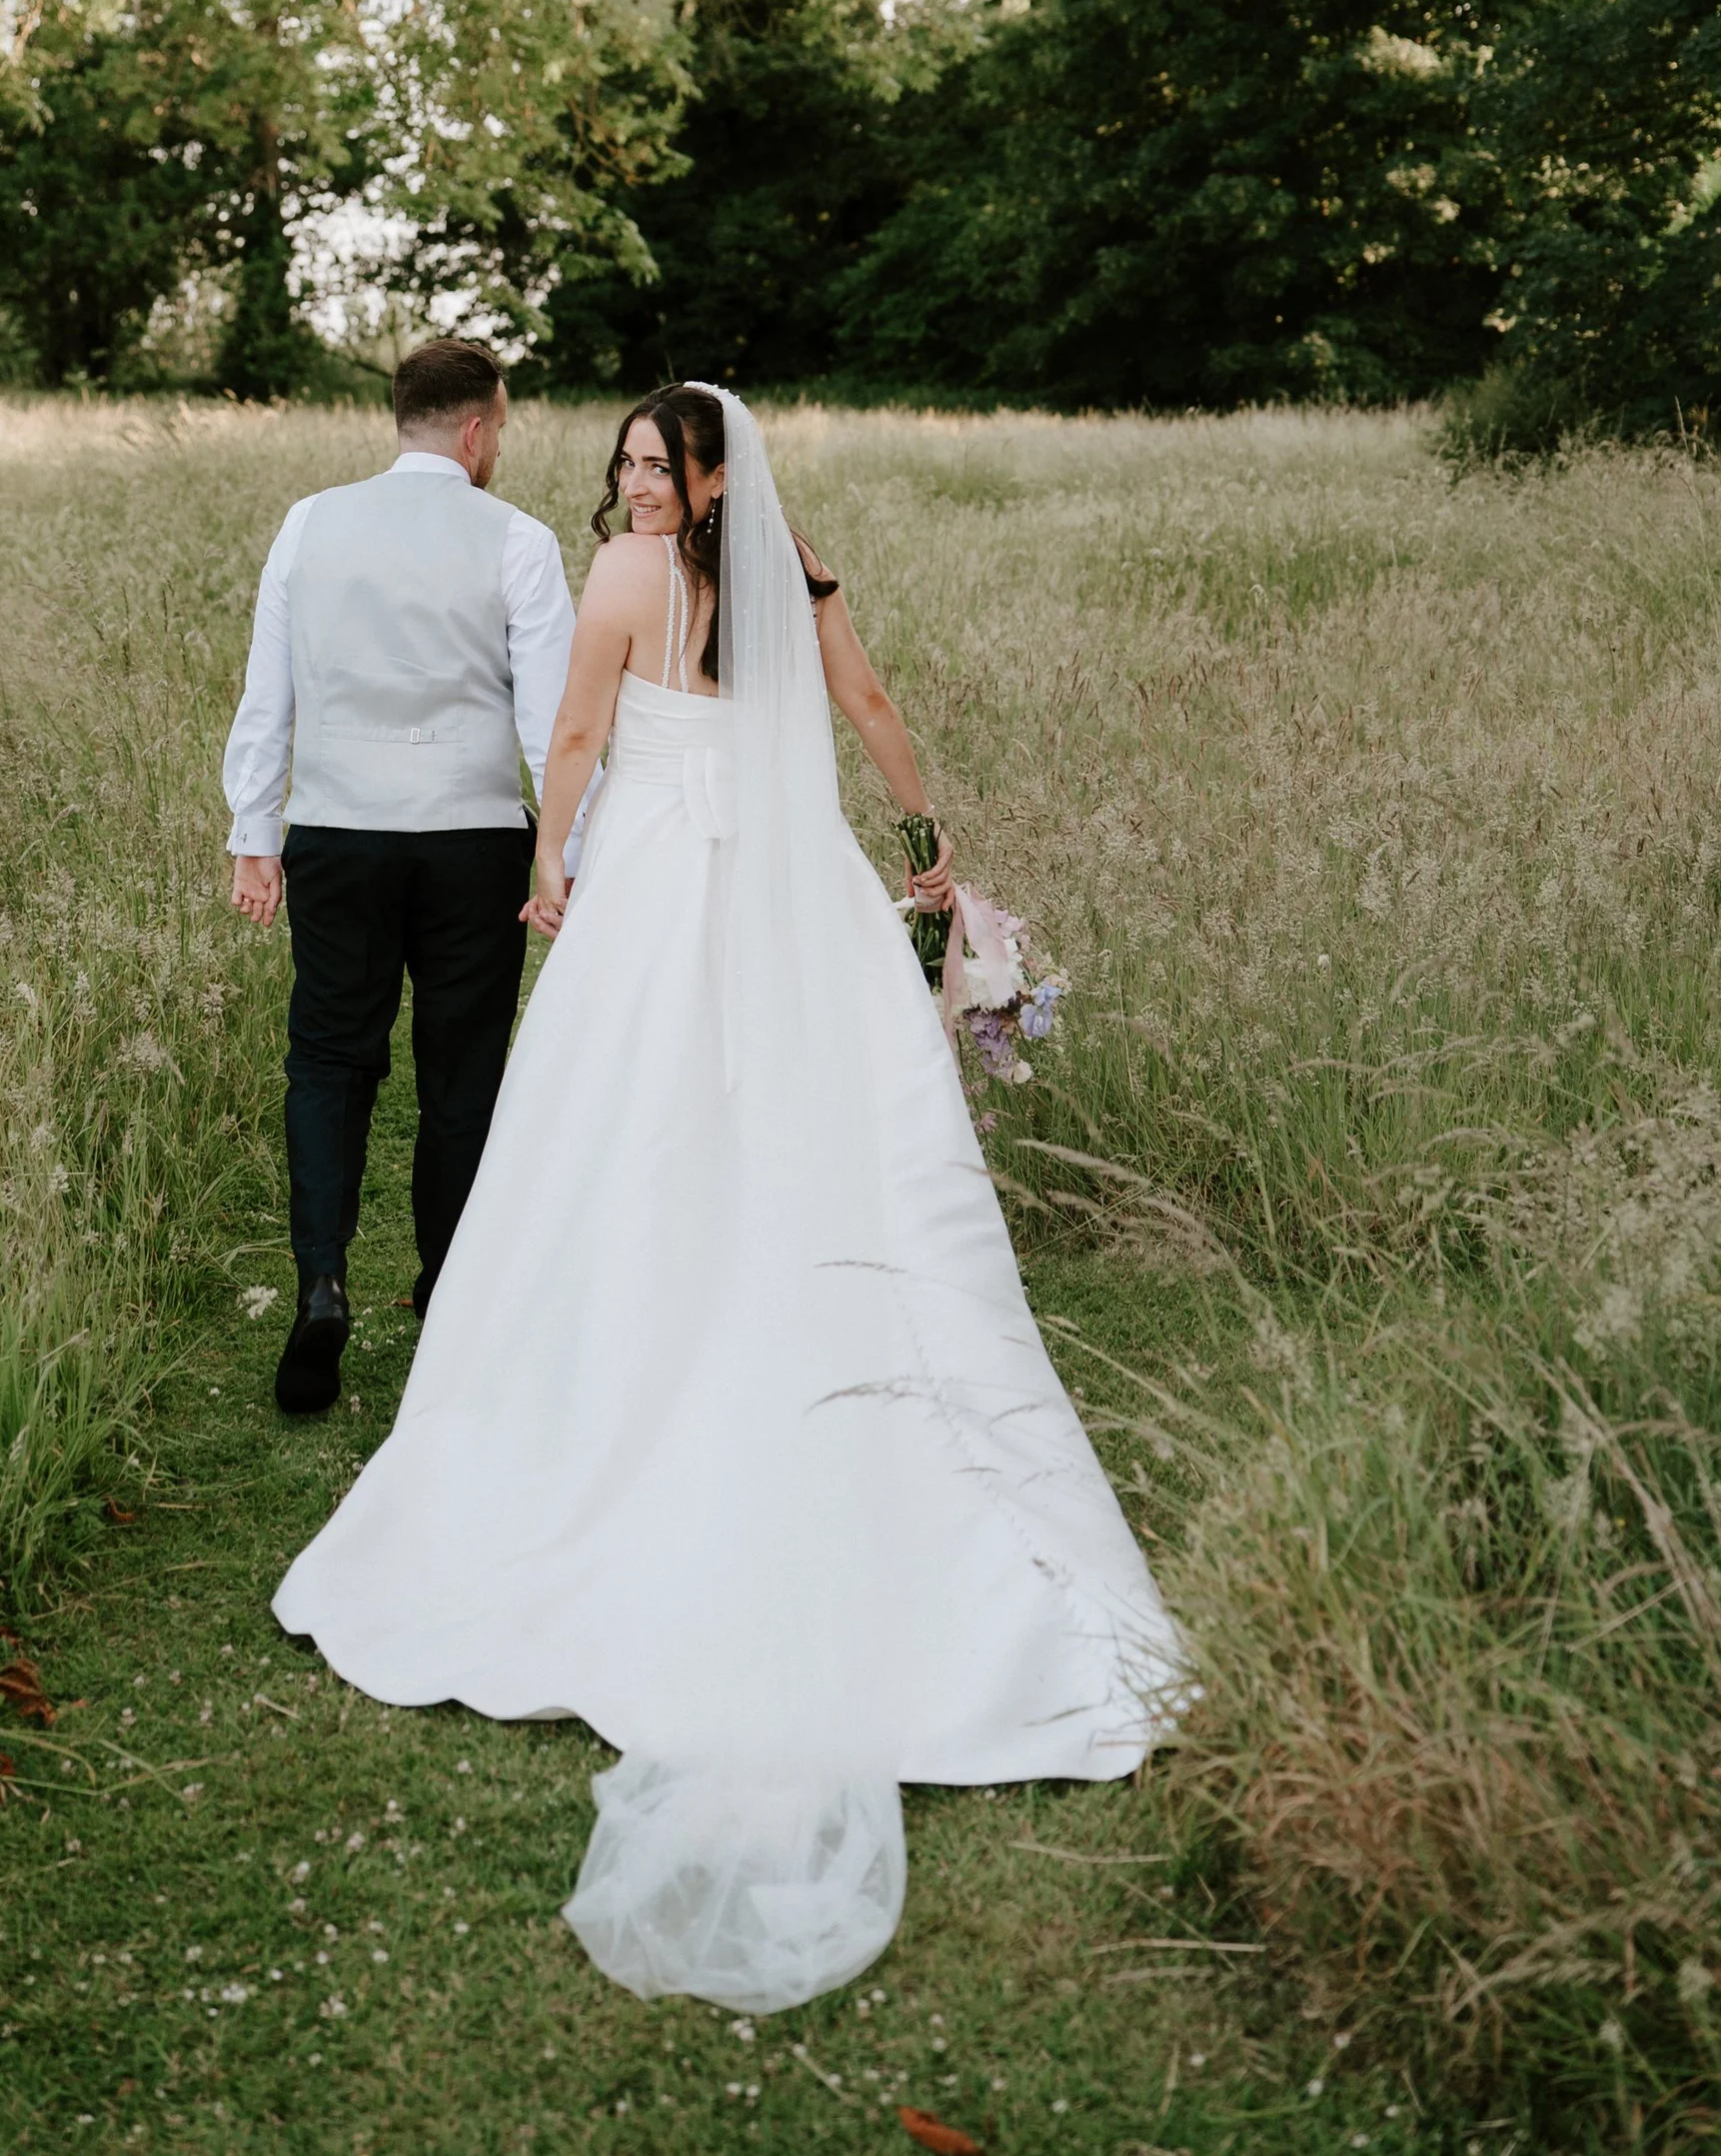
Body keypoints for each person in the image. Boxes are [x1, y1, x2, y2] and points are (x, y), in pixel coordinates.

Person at [273, 381, 1184, 2012]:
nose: (630, 486)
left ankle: (658, 1371)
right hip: (795, 886)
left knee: (630, 1133)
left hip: (657, 893)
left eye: (651, 464)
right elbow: (866, 697)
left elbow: (571, 737)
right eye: (621, 462)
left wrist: (550, 864)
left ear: (703, 476)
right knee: (797, 1133)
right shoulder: (792, 565)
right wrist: (924, 840)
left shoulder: (625, 584)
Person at [224, 337, 576, 1417]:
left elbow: (268, 686)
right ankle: (448, 1299)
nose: (498, 446)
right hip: (473, 838)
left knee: (330, 1059)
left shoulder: (309, 522)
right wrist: (572, 856)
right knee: (460, 1071)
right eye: (501, 429)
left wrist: (255, 829)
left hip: (337, 831)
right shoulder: (517, 538)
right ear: (476, 430)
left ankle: (323, 1286)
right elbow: (552, 724)